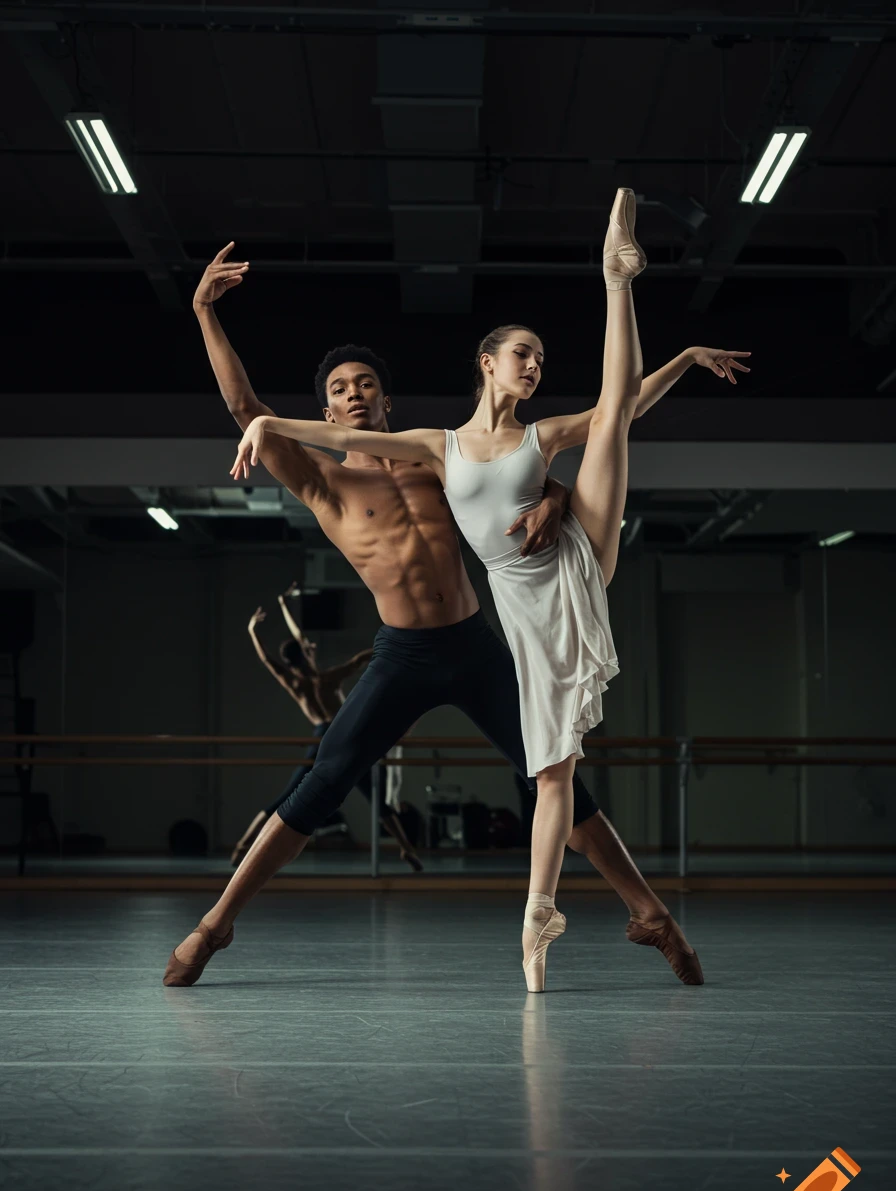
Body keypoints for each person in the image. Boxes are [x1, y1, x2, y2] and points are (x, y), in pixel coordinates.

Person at [162, 228, 733, 988]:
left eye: (364, 384)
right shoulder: (321, 482)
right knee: (322, 779)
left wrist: (559, 503)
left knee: (553, 774)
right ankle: (215, 924)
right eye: (337, 389)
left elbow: (525, 469)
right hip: (402, 654)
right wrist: (205, 311)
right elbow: (243, 405)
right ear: (325, 409)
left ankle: (651, 914)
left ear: (384, 400)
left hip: (473, 643)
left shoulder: (433, 458)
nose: (352, 394)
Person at [232, 594, 421, 871]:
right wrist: (391, 650)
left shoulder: (294, 682)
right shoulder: (326, 678)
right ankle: (406, 847)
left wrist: (253, 629)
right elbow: (358, 660)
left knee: (286, 798)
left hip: (319, 736)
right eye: (308, 649)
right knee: (375, 798)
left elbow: (269, 659)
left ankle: (243, 843)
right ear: (307, 654)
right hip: (342, 735)